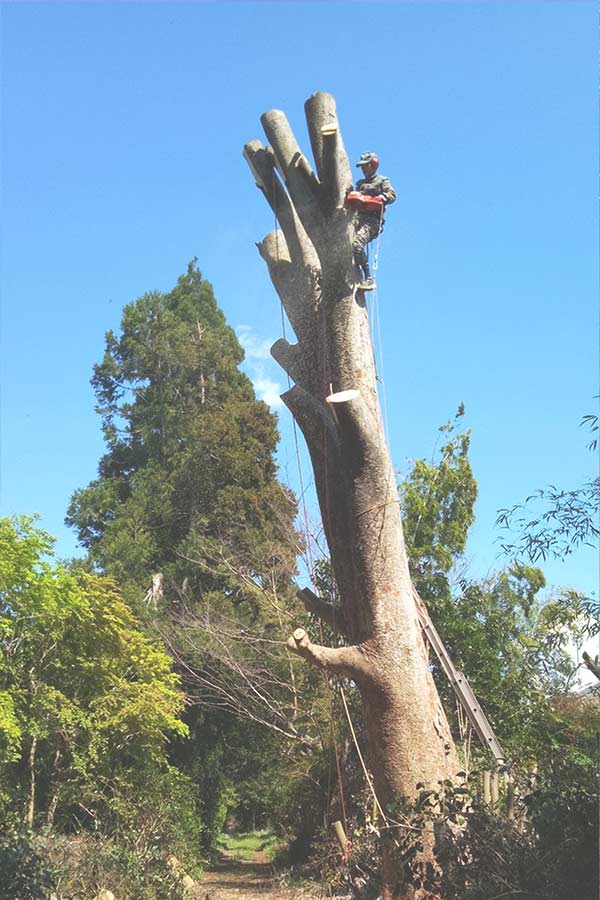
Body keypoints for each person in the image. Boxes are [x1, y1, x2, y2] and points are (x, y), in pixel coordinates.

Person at [350, 151, 396, 291]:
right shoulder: (360, 184)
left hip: (372, 221)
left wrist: (383, 197)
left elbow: (392, 194)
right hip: (357, 219)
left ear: (372, 165)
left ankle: (368, 278)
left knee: (357, 244)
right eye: (362, 167)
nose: (363, 169)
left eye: (366, 166)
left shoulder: (382, 181)